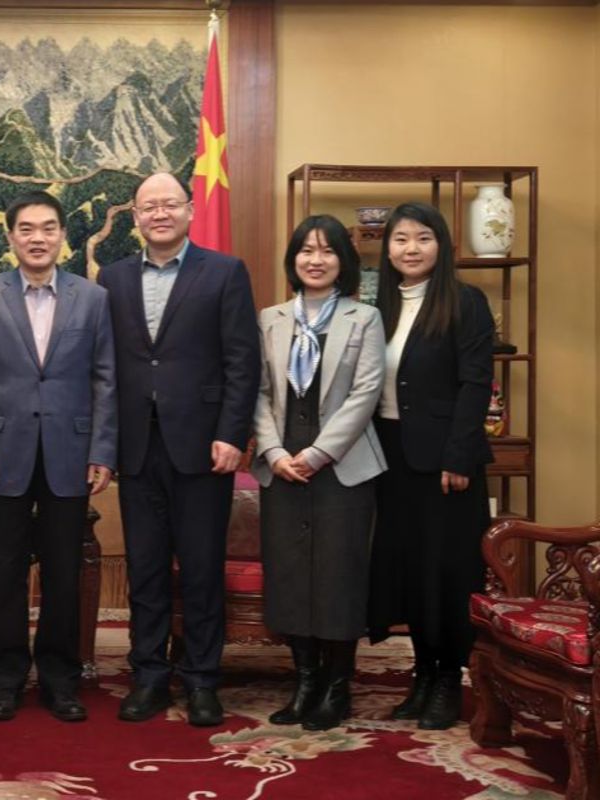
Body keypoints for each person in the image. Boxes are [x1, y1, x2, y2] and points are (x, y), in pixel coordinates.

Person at [97, 173, 259, 726]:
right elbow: (106, 366)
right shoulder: (113, 278)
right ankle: (148, 676)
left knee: (201, 570)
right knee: (144, 570)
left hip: (205, 447)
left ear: (190, 210)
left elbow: (242, 361)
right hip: (137, 447)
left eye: (169, 204)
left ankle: (202, 679)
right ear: (135, 217)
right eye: (149, 207)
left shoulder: (224, 272)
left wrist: (232, 434)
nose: (160, 214)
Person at [0, 190, 117, 723]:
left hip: (71, 453)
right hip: (2, 455)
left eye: (48, 228)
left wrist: (102, 450)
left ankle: (60, 680)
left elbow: (105, 379)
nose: (37, 238)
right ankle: (3, 679)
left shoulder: (92, 298)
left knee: (62, 573)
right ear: (10, 237)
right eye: (26, 229)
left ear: (63, 236)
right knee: (3, 572)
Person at [251, 215, 386, 731]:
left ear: (342, 261)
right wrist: (273, 451)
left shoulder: (364, 318)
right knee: (290, 577)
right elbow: (259, 393)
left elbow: (365, 394)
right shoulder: (270, 318)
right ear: (293, 260)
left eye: (327, 251)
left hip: (342, 467)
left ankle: (336, 687)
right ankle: (304, 682)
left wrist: (318, 453)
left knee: (338, 576)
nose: (316, 259)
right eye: (306, 250)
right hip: (282, 466)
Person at [367, 201, 495, 730]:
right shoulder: (378, 306)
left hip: (445, 459)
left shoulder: (465, 301)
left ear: (441, 245)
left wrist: (459, 453)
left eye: (423, 238)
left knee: (447, 569)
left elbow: (476, 382)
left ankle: (447, 678)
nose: (411, 249)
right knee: (409, 568)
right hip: (390, 455)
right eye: (401, 239)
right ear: (388, 248)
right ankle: (421, 673)